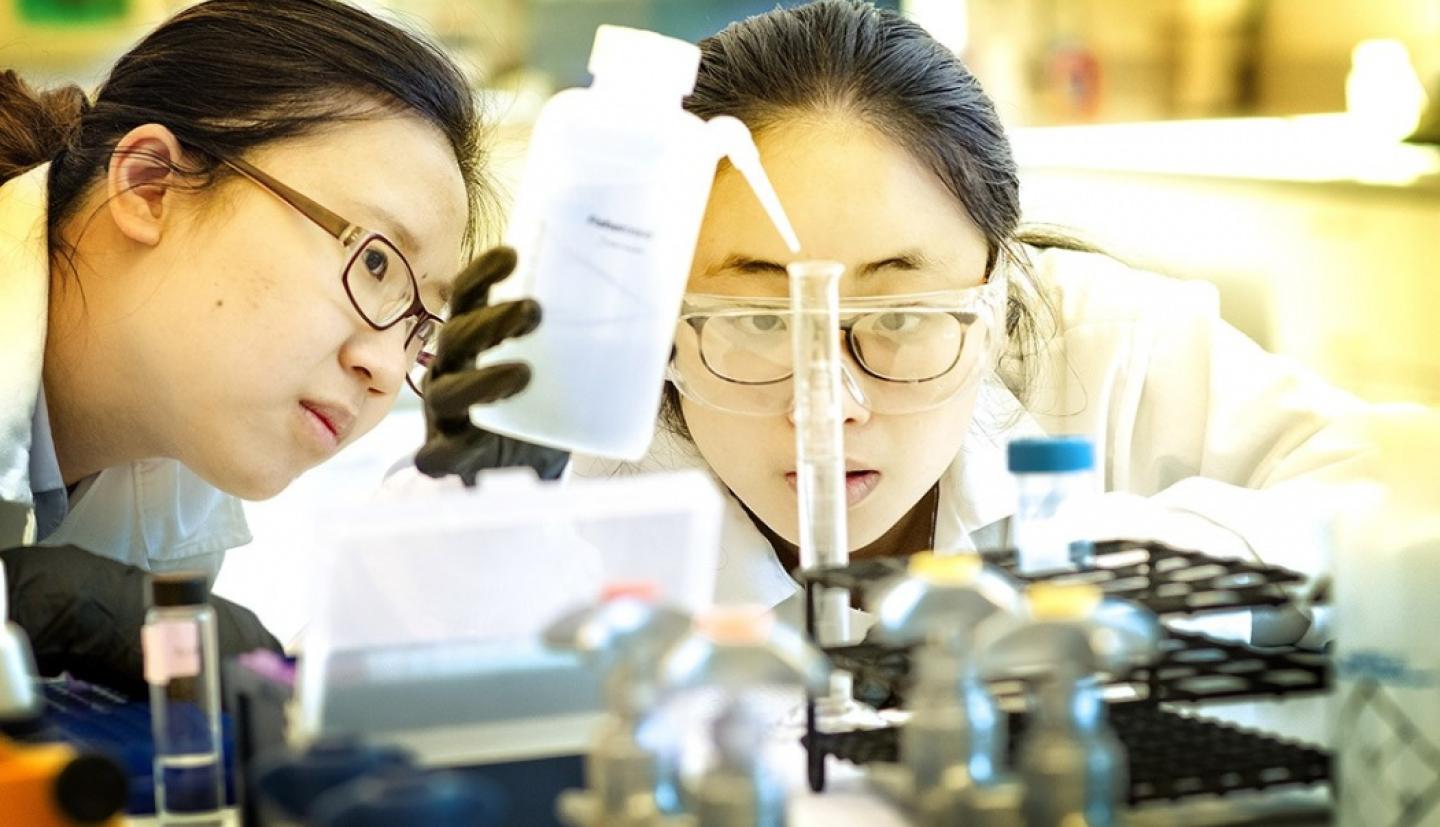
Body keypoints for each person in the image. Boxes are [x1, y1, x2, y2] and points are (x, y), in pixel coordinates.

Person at [570, 0, 1384, 646]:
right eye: (757, 320)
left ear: (998, 293)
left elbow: (1392, 501)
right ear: (661, 316)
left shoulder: (1104, 343)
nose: (830, 405)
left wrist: (1144, 570)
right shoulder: (593, 457)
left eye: (898, 314)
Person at [0, 0, 558, 691]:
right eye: (377, 263)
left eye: (419, 329)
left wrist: (451, 547)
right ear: (149, 184)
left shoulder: (176, 454)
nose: (384, 369)